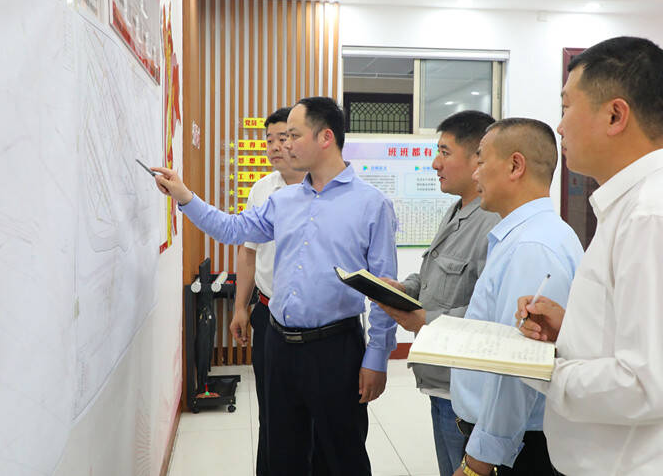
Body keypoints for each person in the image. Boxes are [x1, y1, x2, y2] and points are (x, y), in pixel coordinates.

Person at [516, 36, 663, 476]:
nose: (559, 127)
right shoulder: (661, 199)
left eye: (566, 108)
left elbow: (651, 386)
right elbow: (653, 347)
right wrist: (572, 332)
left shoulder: (654, 214)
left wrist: (545, 370)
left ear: (615, 115)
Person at [153, 96, 398, 475]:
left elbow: (385, 292)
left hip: (336, 349)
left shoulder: (371, 204)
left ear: (325, 137)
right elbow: (233, 229)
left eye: (294, 135)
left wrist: (377, 357)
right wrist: (184, 196)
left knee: (341, 455)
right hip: (281, 346)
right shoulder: (283, 200)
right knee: (282, 451)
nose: (285, 144)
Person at [449, 118, 583, 476]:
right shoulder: (531, 235)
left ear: (515, 165)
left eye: (481, 161)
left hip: (516, 450)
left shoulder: (532, 246)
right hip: (513, 442)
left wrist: (478, 463)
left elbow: (517, 370)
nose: (475, 174)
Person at [372, 110, 500, 476]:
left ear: (477, 158)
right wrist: (404, 289)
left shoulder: (492, 221)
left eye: (444, 152)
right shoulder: (457, 210)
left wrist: (424, 320)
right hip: (441, 381)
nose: (435, 163)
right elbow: (435, 274)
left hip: (465, 389)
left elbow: (489, 313)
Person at [228, 106, 305, 476]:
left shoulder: (323, 189)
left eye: (283, 138)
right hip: (268, 312)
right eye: (269, 140)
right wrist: (240, 307)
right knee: (271, 408)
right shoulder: (261, 189)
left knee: (314, 412)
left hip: (313, 321)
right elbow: (248, 253)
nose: (275, 146)